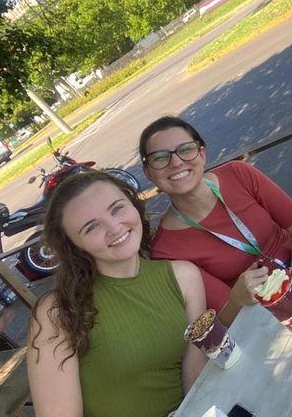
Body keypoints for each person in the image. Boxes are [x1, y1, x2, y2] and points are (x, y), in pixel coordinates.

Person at [26, 171, 207, 417]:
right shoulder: (58, 312)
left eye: (117, 208)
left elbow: (195, 372)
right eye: (92, 227)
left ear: (133, 204)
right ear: (74, 247)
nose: (114, 228)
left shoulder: (184, 277)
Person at [140, 115, 292, 325]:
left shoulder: (238, 173)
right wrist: (237, 299)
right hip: (258, 308)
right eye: (160, 157)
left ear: (202, 153)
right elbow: (225, 318)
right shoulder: (166, 251)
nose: (176, 162)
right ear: (148, 172)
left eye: (185, 149)